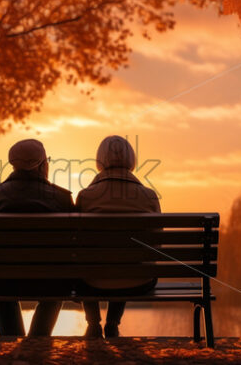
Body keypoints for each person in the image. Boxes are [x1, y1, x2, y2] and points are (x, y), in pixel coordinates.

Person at [0, 139, 74, 336]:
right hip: (49, 281)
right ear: (42, 165)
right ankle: (38, 337)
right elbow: (73, 247)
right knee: (60, 280)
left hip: (0, 280)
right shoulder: (62, 198)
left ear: (13, 164)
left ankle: (11, 338)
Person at [75, 135, 161, 338]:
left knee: (89, 263)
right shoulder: (149, 196)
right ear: (131, 159)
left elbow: (76, 246)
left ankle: (93, 323)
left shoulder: (86, 196)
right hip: (139, 281)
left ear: (99, 160)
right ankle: (112, 323)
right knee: (127, 259)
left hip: (92, 282)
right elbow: (157, 243)